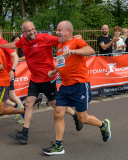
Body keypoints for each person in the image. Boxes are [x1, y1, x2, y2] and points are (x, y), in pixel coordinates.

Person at [0, 21, 83, 144]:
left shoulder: (44, 38)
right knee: (28, 103)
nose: (32, 32)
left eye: (33, 29)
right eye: (28, 31)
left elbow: (63, 39)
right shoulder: (23, 40)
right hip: (35, 79)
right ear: (23, 33)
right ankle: (24, 134)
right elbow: (14, 45)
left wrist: (75, 38)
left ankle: (75, 116)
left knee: (55, 104)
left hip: (48, 79)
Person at [43, 21, 111, 155]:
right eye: (57, 30)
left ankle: (103, 125)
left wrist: (73, 51)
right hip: (65, 85)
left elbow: (90, 51)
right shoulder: (60, 45)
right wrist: (55, 70)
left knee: (82, 118)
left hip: (79, 84)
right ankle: (58, 146)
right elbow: (63, 62)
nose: (57, 33)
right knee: (58, 113)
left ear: (68, 31)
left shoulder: (77, 42)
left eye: (59, 30)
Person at [0, 25, 24, 124]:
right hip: (2, 76)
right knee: (10, 96)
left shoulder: (3, 44)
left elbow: (15, 57)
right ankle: (21, 110)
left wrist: (12, 70)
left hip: (7, 75)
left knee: (9, 97)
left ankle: (22, 111)